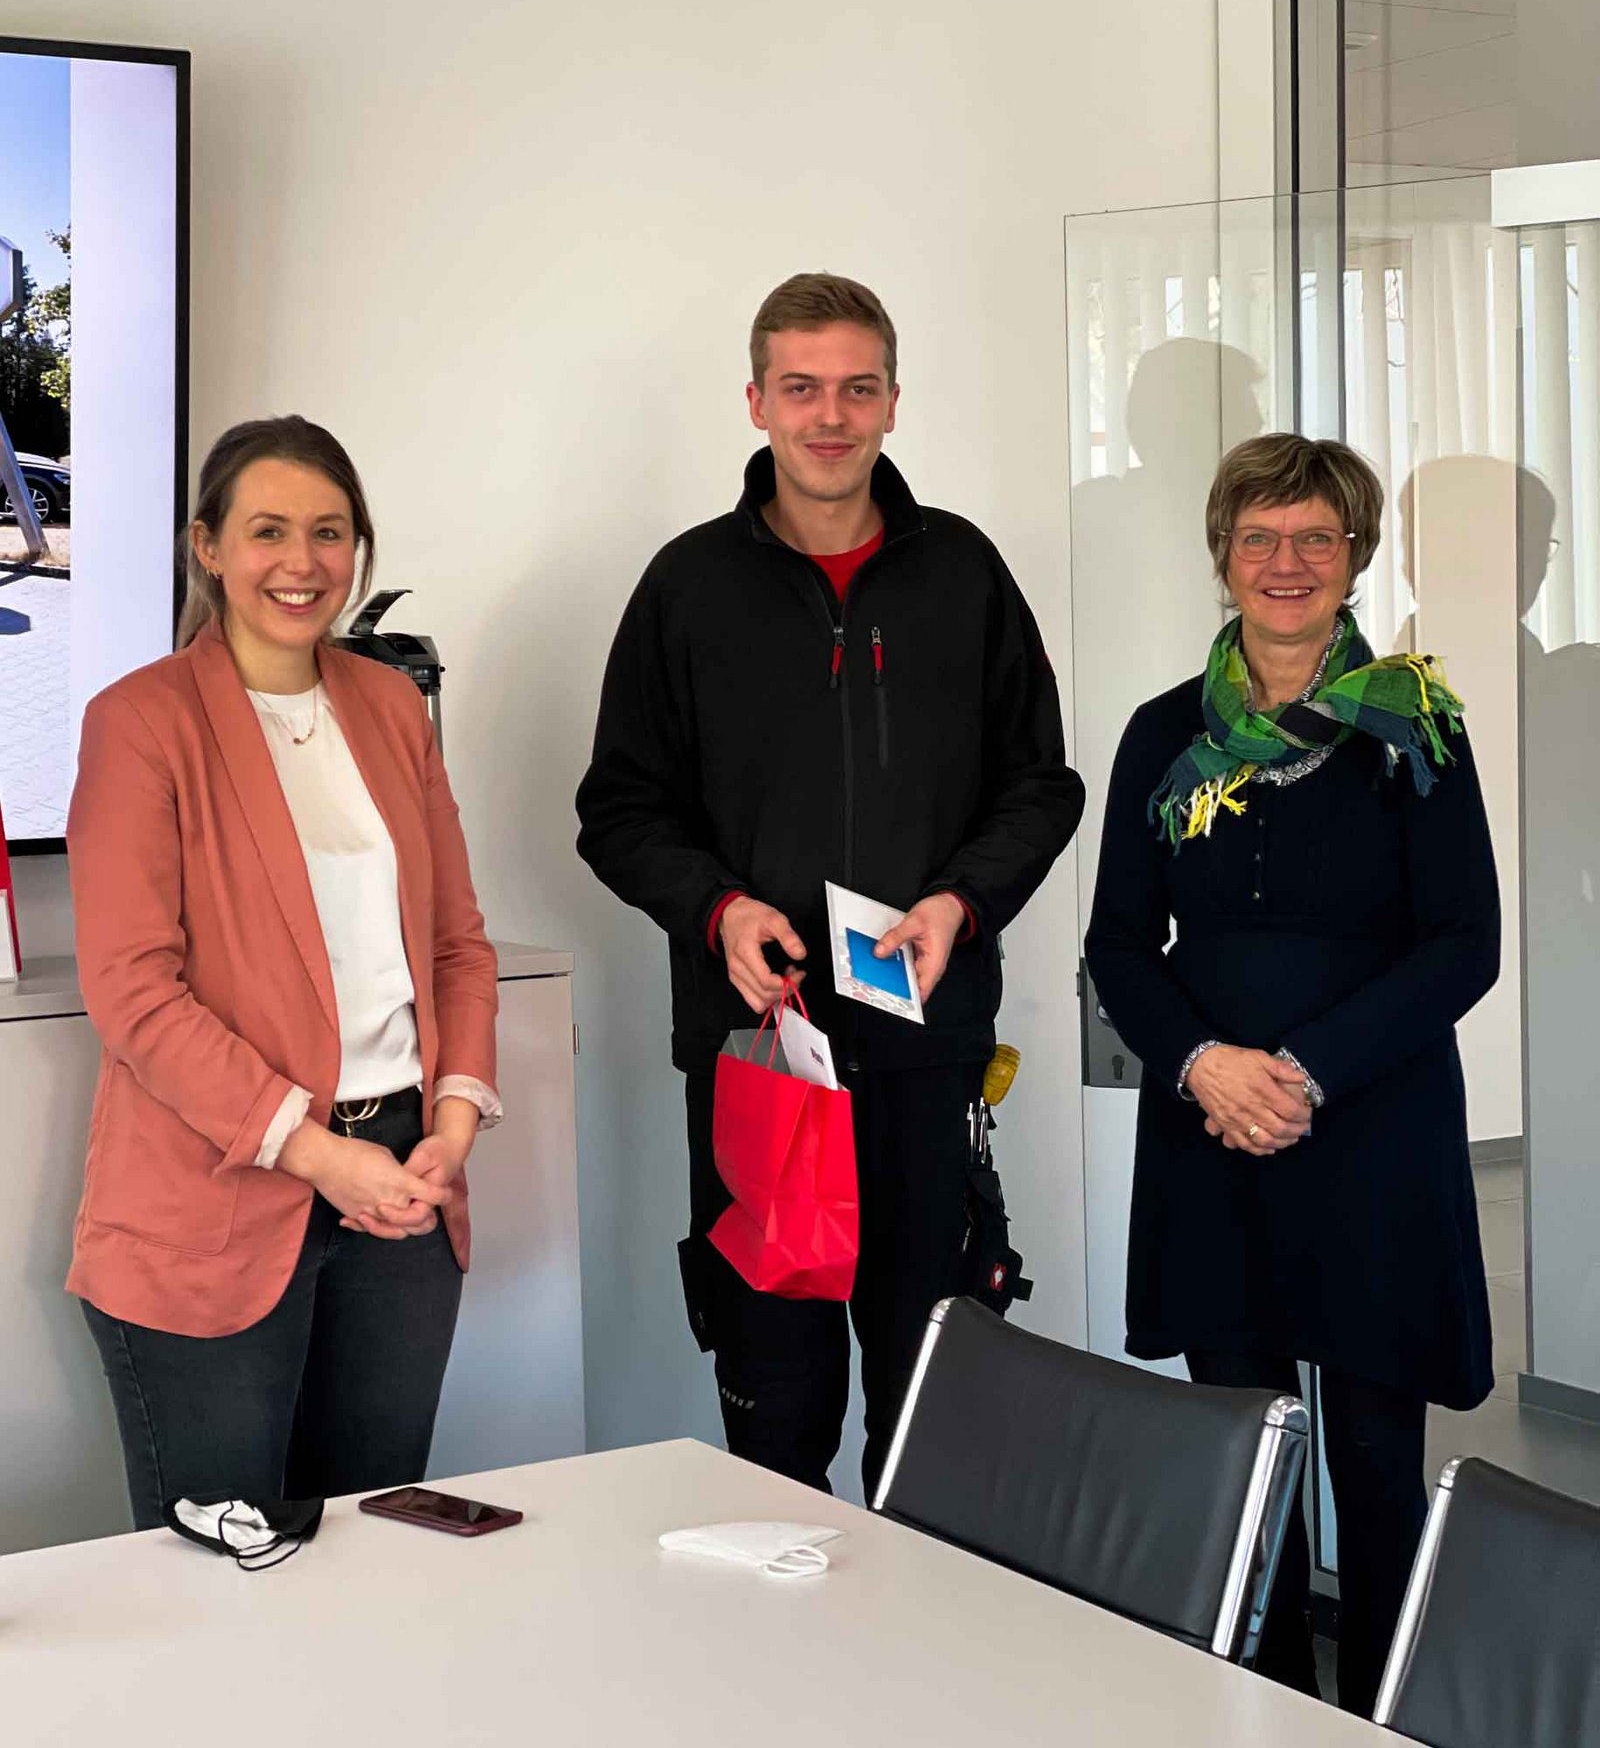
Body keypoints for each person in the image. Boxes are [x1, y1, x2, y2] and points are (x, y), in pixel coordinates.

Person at [576, 273, 1083, 1496]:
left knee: (931, 1416)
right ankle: (787, 1676)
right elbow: (619, 809)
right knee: (776, 1411)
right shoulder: (686, 588)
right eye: (800, 387)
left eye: (857, 388)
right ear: (755, 401)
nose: (829, 415)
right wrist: (719, 910)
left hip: (923, 1055)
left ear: (895, 403)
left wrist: (961, 901)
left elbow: (1042, 784)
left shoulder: (962, 573)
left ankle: (921, 1674)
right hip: (764, 1065)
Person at [1085, 432, 1498, 1715]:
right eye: (1259, 537)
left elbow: (1465, 941)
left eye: (1315, 537)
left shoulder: (1413, 724)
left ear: (1353, 556)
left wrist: (1308, 1071)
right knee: (1243, 1458)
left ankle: (1378, 1711)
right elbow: (1116, 945)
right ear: (1223, 556)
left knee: (1375, 1455)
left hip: (1374, 1129)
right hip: (1211, 1130)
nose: (1285, 562)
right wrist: (1207, 1065)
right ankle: (1256, 1712)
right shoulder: (1162, 732)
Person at [67, 416, 501, 1529]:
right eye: (267, 531)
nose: (301, 563)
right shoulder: (141, 722)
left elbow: (455, 942)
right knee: (224, 1573)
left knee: (373, 1549)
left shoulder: (393, 708)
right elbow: (133, 990)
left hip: (401, 1191)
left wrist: (449, 1126)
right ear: (206, 546)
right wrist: (316, 1154)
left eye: (328, 532)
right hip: (212, 1201)